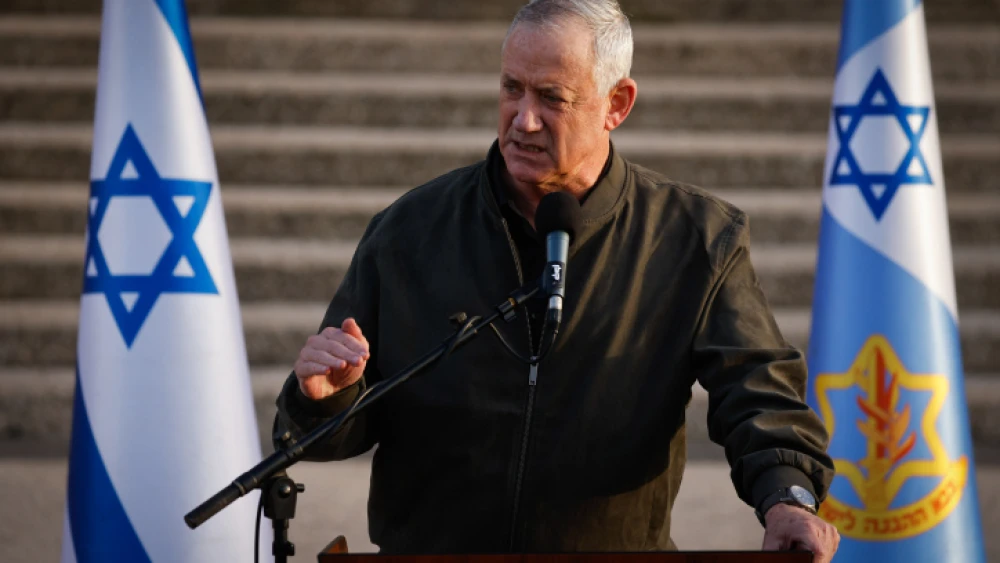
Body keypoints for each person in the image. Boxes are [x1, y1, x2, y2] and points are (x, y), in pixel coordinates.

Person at [273, 0, 840, 558]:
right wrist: (325, 398)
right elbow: (334, 427)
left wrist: (787, 498)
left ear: (616, 104)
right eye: (511, 88)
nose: (523, 119)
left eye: (552, 97)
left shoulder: (695, 240)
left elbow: (758, 392)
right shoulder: (409, 232)